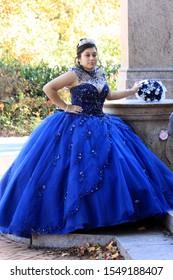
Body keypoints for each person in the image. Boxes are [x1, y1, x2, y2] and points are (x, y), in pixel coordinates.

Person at [0, 38, 173, 239]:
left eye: (94, 54)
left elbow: (109, 96)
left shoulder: (100, 72)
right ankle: (81, 218)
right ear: (79, 58)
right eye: (87, 55)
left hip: (102, 122)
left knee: (118, 164)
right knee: (74, 171)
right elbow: (49, 88)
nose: (91, 58)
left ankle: (112, 215)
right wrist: (66, 106)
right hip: (76, 125)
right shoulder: (73, 74)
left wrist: (132, 91)